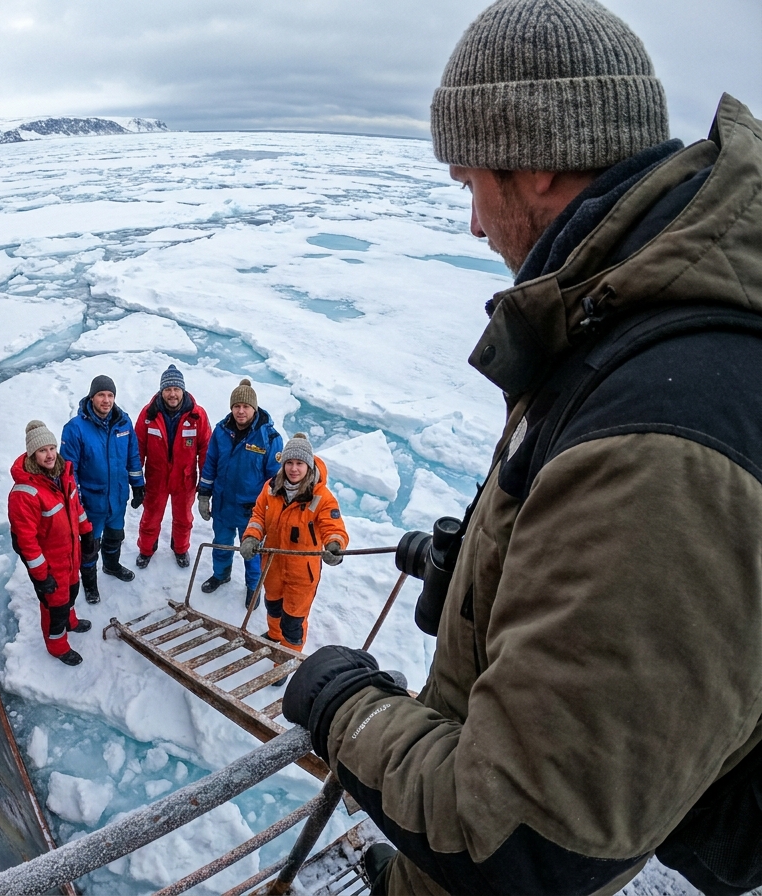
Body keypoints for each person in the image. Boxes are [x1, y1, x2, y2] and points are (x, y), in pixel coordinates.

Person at [282, 2, 762, 894]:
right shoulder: (636, 315)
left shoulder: (664, 424)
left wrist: (341, 707)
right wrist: (487, 573)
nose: (472, 224)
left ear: (536, 161)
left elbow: (521, 838)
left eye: (471, 183)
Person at [238, 433, 348, 656]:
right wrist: (251, 536)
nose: (294, 469)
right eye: (289, 463)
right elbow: (258, 516)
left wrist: (335, 544)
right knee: (274, 608)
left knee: (294, 623)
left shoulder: (321, 497)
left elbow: (333, 527)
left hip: (302, 573)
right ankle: (274, 636)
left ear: (308, 465)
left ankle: (286, 659)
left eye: (299, 463)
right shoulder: (271, 488)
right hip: (273, 566)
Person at [8, 421, 93, 666]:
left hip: (70, 555)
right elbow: (26, 542)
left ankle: (71, 620)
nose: (49, 455)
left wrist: (86, 534)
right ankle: (57, 645)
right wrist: (41, 575)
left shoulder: (62, 475)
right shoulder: (24, 493)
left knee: (72, 592)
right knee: (55, 607)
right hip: (50, 563)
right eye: (43, 450)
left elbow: (76, 509)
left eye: (52, 448)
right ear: (33, 453)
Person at [197, 378, 283, 606]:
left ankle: (253, 587)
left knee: (252, 551)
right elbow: (210, 464)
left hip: (252, 511)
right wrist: (204, 494)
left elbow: (275, 480)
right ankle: (221, 574)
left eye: (245, 407)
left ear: (254, 408)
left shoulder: (270, 438)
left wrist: (270, 510)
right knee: (222, 543)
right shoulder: (221, 431)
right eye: (236, 406)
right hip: (223, 504)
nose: (241, 411)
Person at [61, 375, 145, 602]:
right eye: (101, 395)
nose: (106, 400)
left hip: (117, 498)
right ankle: (90, 584)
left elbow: (133, 457)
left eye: (110, 395)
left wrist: (138, 485)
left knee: (115, 536)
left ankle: (111, 565)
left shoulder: (123, 423)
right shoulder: (75, 428)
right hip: (91, 502)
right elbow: (69, 471)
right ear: (92, 397)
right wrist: (76, 502)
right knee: (89, 545)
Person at [134, 364, 211, 569]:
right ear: (162, 391)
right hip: (156, 477)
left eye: (176, 389)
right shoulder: (148, 414)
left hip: (184, 478)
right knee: (151, 516)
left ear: (183, 390)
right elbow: (137, 448)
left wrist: (206, 482)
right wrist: (136, 480)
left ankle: (180, 548)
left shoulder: (197, 416)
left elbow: (205, 450)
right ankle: (146, 549)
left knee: (184, 518)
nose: (172, 394)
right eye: (168, 389)